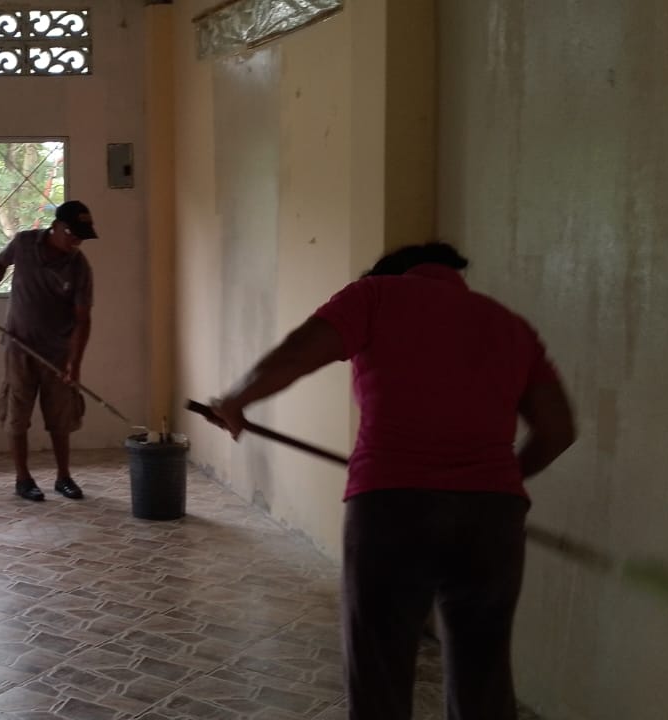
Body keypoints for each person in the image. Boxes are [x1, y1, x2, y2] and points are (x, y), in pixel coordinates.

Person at [205, 243, 577, 720]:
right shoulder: (510, 326)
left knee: (379, 671)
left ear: (392, 274)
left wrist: (235, 399)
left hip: (393, 508)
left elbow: (298, 354)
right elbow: (558, 430)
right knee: (483, 676)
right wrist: (495, 482)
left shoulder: (375, 295)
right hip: (492, 518)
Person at [0, 200, 97, 501]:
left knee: (60, 418)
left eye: (82, 237)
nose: (77, 242)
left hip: (58, 353)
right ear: (56, 227)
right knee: (17, 415)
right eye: (73, 234)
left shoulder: (79, 267)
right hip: (19, 347)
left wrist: (74, 363)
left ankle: (63, 477)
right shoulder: (24, 243)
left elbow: (82, 319)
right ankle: (23, 479)